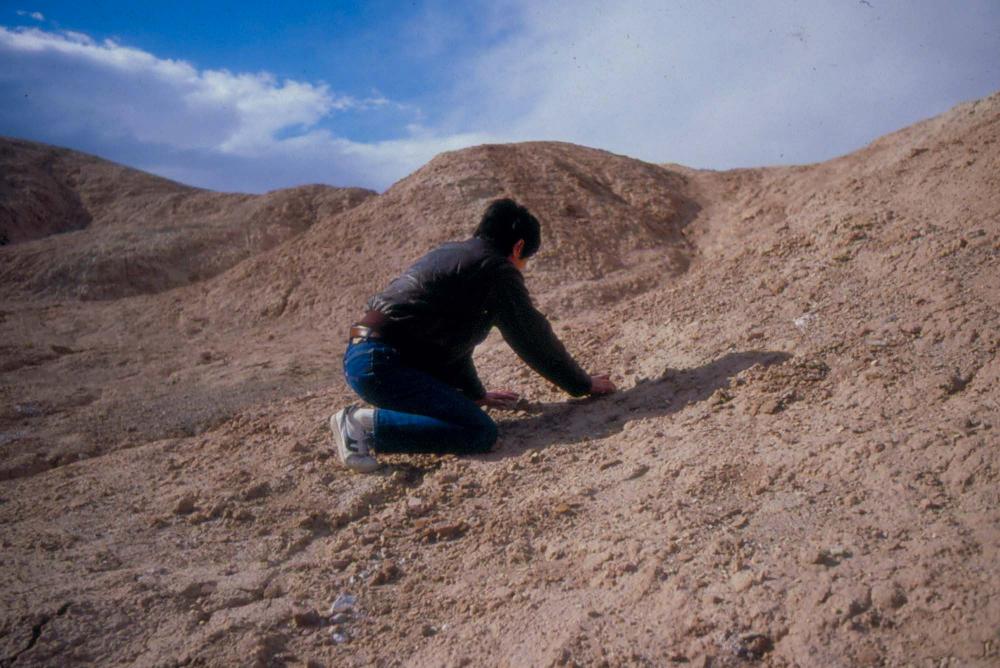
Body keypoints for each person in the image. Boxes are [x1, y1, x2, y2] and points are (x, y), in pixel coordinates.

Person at [331, 198, 616, 472]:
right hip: (383, 365)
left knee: (462, 414)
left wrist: (474, 394)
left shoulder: (453, 256)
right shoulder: (496, 270)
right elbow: (532, 337)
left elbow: (451, 344)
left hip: (365, 359)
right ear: (518, 247)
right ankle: (362, 426)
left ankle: (366, 423)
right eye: (526, 259)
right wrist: (582, 384)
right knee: (478, 431)